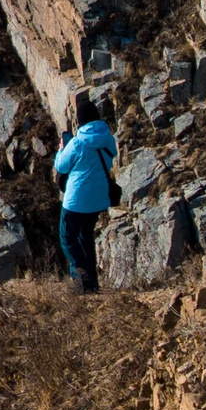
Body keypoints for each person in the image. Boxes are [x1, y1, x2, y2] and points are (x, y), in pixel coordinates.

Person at [54, 93, 117, 293]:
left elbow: (61, 166)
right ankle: (92, 286)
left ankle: (81, 280)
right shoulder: (108, 139)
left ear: (79, 121)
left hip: (76, 200)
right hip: (98, 199)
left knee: (68, 238)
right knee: (85, 238)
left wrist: (61, 150)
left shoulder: (78, 143)